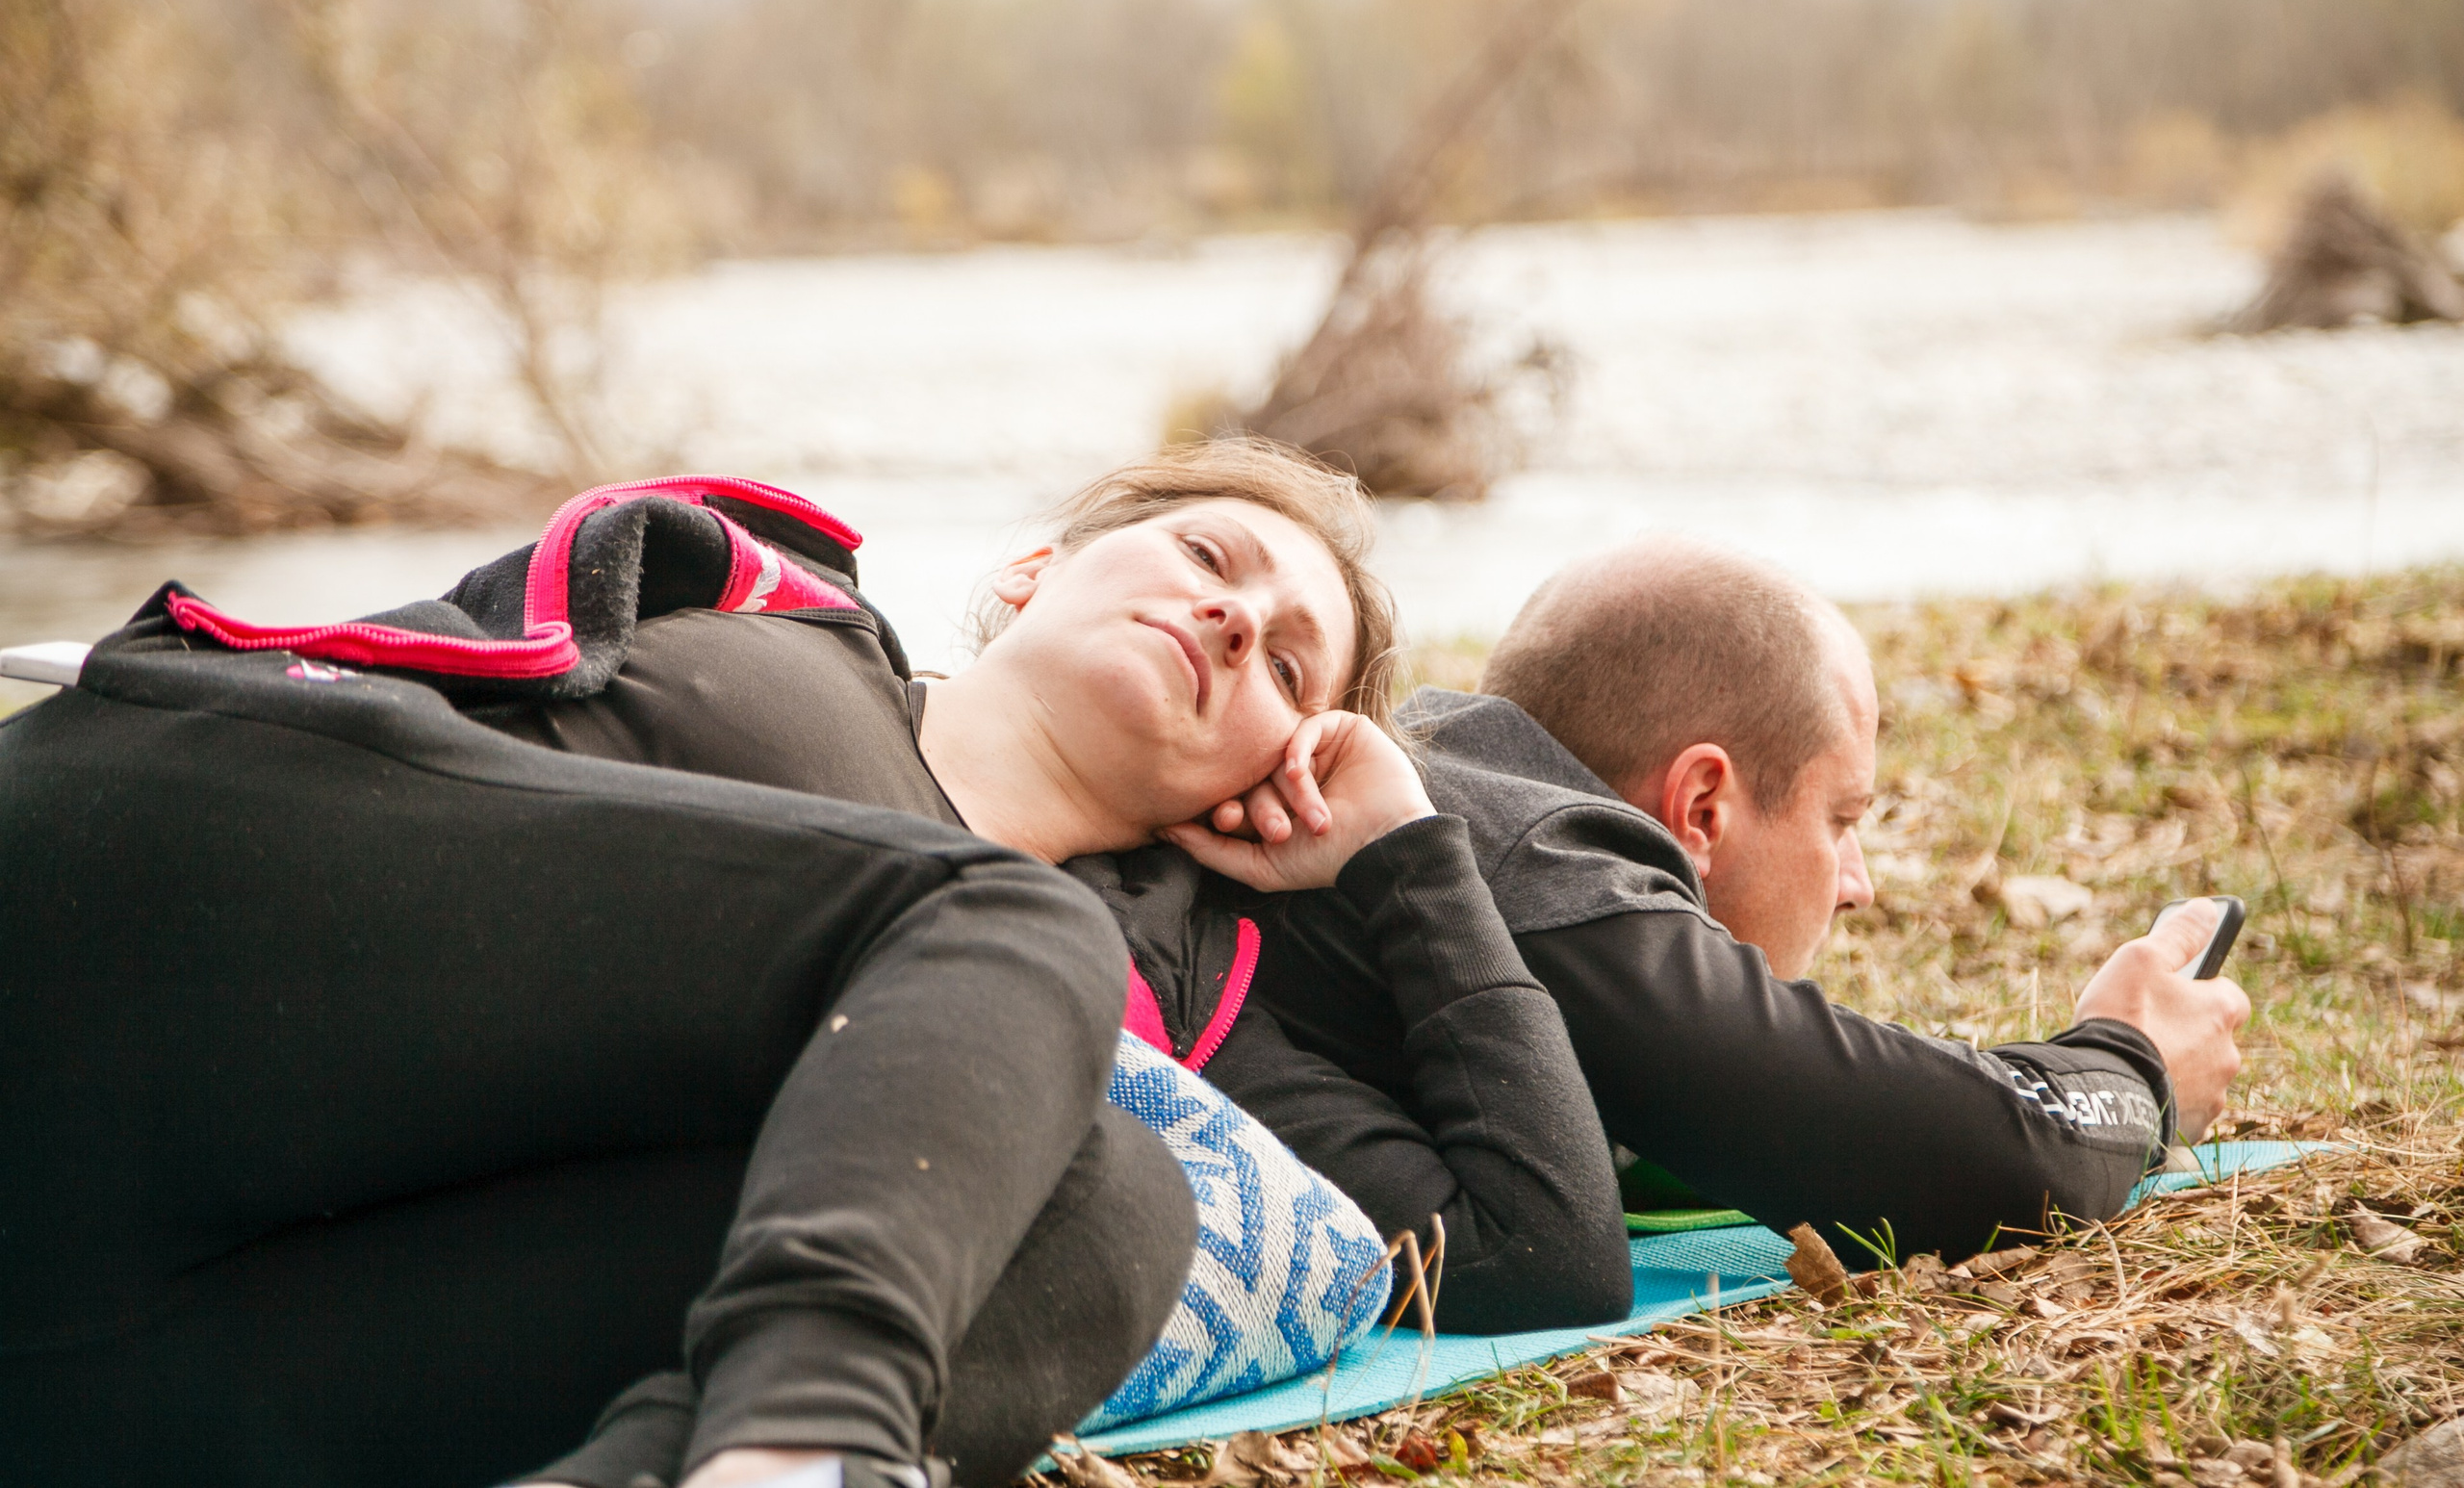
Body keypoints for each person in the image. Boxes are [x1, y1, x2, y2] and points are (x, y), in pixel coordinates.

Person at [0, 446, 1495, 1488]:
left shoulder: (1111, 993)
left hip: (123, 1337)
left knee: (1112, 1210)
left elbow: (1530, 1237)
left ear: (1263, 775)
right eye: (1209, 555)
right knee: (1004, 927)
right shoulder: (767, 605)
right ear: (1035, 569)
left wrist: (1413, 861)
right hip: (154, 908)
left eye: (1292, 665)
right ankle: (802, 1443)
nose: (1239, 618)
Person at [1215, 535, 2251, 1270]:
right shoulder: (1541, 865)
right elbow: (1986, 1159)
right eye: (1842, 820)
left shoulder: (1466, 800)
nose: (1858, 884)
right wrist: (2134, 1062)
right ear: (1700, 804)